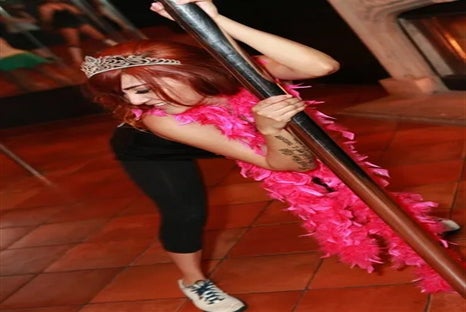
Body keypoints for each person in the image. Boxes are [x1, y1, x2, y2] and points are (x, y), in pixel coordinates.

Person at [81, 0, 462, 310]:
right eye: (124, 95)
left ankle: (400, 220)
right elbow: (284, 163)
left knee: (340, 172)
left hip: (239, 124)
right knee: (186, 211)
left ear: (184, 72)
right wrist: (270, 131)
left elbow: (322, 65)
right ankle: (194, 281)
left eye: (141, 90)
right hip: (155, 152)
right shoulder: (159, 121)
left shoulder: (234, 72)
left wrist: (218, 21)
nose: (133, 102)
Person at [37, 0, 117, 65]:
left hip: (77, 22)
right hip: (64, 24)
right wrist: (49, 22)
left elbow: (79, 12)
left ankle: (116, 45)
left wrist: (68, 7)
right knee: (74, 42)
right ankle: (77, 60)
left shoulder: (64, 4)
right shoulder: (45, 7)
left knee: (98, 35)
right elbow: (46, 20)